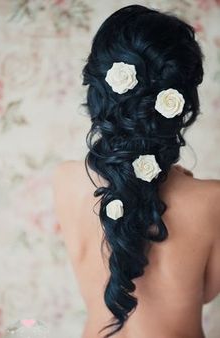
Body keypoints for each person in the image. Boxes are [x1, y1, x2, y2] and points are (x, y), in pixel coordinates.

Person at [52, 5, 220, 338]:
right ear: (179, 100)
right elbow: (206, 294)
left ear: (100, 89)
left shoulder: (66, 180)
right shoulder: (212, 199)